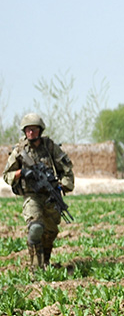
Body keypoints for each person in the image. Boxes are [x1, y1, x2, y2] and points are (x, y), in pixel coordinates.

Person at [3, 113, 75, 269]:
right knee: (35, 228)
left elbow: (67, 169)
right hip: (32, 196)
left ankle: (45, 262)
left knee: (50, 232)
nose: (31, 133)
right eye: (28, 130)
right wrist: (22, 173)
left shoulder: (50, 147)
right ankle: (35, 269)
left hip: (50, 195)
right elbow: (6, 175)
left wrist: (61, 186)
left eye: (34, 129)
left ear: (40, 130)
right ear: (24, 132)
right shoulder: (20, 151)